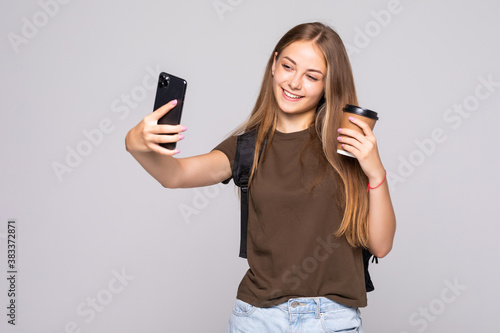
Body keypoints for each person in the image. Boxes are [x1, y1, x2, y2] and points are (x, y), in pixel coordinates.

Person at [125, 22, 396, 333]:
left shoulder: (346, 145)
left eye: (311, 76)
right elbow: (175, 175)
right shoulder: (247, 148)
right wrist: (135, 143)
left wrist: (375, 171)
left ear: (328, 84)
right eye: (288, 67)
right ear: (274, 63)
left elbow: (381, 245)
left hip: (328, 320)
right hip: (256, 319)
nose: (294, 82)